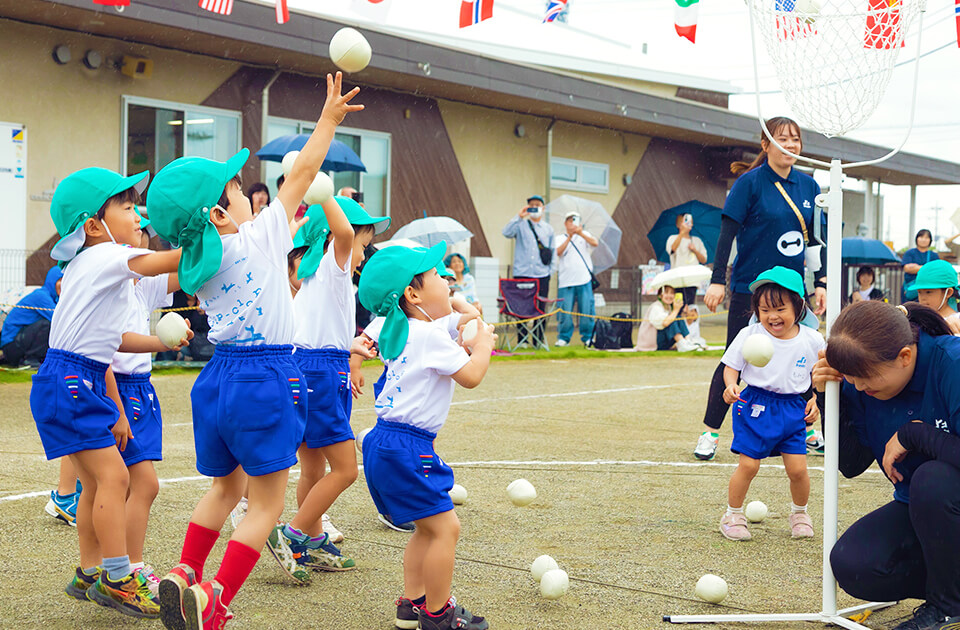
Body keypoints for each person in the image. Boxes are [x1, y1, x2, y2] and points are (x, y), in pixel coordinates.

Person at [150, 72, 361, 630]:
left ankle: (183, 572)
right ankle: (215, 598)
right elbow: (305, 172)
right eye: (240, 191)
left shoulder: (202, 262)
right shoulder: (258, 236)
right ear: (219, 215)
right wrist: (329, 119)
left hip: (217, 378)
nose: (252, 196)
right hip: (266, 376)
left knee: (225, 489)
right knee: (266, 505)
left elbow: (158, 260)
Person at [32, 166, 182, 618]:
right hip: (74, 380)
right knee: (116, 479)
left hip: (75, 378)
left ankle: (91, 571)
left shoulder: (89, 266)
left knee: (98, 481)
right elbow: (166, 262)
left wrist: (157, 341)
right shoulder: (104, 257)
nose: (138, 214)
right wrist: (209, 236)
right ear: (94, 225)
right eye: (127, 205)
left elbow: (112, 340)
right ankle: (120, 577)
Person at [358, 242, 494, 630]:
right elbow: (471, 376)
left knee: (426, 527)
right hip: (408, 447)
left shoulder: (404, 329)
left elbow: (458, 318)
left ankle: (413, 603)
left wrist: (469, 318)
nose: (445, 279)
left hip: (384, 442)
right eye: (436, 275)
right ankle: (438, 613)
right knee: (446, 528)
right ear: (412, 293)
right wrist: (482, 344)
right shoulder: (429, 336)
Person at [813, 301, 960, 630]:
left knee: (932, 479)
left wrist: (915, 434)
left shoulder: (953, 362)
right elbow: (851, 464)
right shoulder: (860, 376)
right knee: (854, 565)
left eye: (865, 379)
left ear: (905, 356)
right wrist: (826, 395)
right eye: (851, 379)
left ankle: (947, 605)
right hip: (927, 513)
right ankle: (949, 584)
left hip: (942, 496)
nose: (861, 387)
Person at [265, 196, 389, 581]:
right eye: (363, 244)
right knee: (347, 470)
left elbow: (313, 328)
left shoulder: (311, 274)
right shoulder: (334, 266)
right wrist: (327, 193)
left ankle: (313, 539)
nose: (362, 253)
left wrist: (346, 344)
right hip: (321, 374)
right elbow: (345, 232)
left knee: (314, 467)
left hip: (304, 365)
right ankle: (295, 534)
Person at [696, 116, 827, 462]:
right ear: (766, 145)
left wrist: (822, 283)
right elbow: (727, 233)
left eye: (796, 139)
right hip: (750, 289)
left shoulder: (810, 188)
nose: (791, 145)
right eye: (782, 138)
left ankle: (810, 429)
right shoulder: (749, 183)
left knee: (807, 357)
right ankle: (710, 432)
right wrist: (717, 280)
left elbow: (814, 242)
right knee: (734, 357)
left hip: (794, 292)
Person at [717, 267, 823, 541]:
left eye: (779, 308)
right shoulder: (751, 334)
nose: (772, 316)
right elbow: (730, 366)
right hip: (754, 405)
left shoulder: (812, 339)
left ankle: (800, 513)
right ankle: (732, 514)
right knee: (749, 466)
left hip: (792, 409)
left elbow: (818, 374)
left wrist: (814, 400)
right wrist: (731, 385)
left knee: (798, 470)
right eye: (765, 310)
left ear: (798, 306)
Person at [502, 195, 554, 348]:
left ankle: (538, 340)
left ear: (543, 208)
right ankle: (522, 340)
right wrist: (519, 216)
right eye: (531, 205)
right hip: (522, 273)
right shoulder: (520, 225)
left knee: (540, 307)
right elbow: (506, 232)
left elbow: (553, 251)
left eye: (537, 205)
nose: (535, 207)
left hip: (542, 274)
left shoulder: (548, 229)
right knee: (520, 307)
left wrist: (550, 271)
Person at [0, 265, 62, 365]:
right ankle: (31, 359)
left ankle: (38, 357)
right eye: (59, 280)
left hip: (18, 343)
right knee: (48, 324)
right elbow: (59, 319)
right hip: (11, 347)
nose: (62, 284)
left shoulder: (53, 299)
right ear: (52, 281)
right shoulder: (41, 296)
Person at [555, 211, 599, 347]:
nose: (572, 223)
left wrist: (580, 233)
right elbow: (558, 252)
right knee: (565, 311)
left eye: (575, 220)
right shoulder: (560, 238)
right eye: (570, 220)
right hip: (566, 281)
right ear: (565, 223)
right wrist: (570, 237)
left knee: (586, 310)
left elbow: (595, 243)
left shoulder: (584, 236)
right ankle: (564, 337)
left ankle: (587, 337)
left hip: (584, 280)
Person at [665, 212, 707, 313]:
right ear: (678, 224)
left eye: (689, 222)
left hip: (692, 280)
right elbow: (672, 250)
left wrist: (695, 250)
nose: (688, 224)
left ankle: (686, 328)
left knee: (690, 309)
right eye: (684, 222)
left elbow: (704, 259)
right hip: (677, 280)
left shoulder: (697, 240)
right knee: (677, 309)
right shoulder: (673, 238)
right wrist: (682, 233)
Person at [905, 259, 960, 335]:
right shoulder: (916, 321)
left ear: (948, 293)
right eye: (919, 292)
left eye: (928, 292)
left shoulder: (957, 322)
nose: (923, 298)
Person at [643, 285, 702, 352]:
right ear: (660, 295)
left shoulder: (668, 307)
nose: (669, 296)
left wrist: (680, 310)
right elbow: (665, 323)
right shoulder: (656, 307)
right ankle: (682, 343)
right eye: (666, 292)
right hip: (652, 342)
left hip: (665, 340)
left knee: (678, 318)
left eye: (672, 293)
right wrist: (676, 310)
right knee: (672, 319)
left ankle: (687, 341)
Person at [901, 229, 938, 302]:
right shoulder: (909, 253)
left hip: (928, 288)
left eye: (926, 238)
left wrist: (916, 267)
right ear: (917, 239)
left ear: (930, 240)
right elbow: (907, 269)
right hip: (910, 287)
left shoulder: (933, 255)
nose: (923, 240)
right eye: (921, 237)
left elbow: (935, 271)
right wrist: (927, 268)